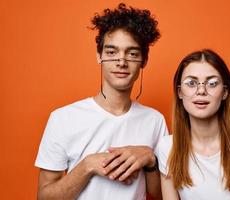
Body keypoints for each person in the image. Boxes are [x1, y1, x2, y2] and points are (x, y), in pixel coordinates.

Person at [35, 3, 168, 200]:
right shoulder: (62, 118)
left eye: (132, 53)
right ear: (99, 56)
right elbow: (44, 197)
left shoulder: (155, 120)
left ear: (144, 60)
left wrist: (150, 159)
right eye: (111, 52)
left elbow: (160, 195)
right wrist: (87, 165)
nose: (121, 61)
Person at [156, 49, 230, 200]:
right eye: (191, 83)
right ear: (180, 92)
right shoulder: (167, 147)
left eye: (212, 83)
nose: (201, 91)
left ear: (225, 92)